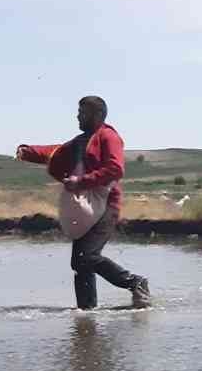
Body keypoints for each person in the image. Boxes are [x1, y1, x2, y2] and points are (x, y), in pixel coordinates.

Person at [17, 96, 151, 310]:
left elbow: (115, 169)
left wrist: (81, 181)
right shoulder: (80, 140)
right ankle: (87, 313)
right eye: (78, 112)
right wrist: (28, 151)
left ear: (97, 115)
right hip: (88, 207)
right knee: (80, 262)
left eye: (83, 112)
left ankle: (135, 282)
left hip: (106, 206)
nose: (77, 116)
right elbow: (56, 151)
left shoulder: (108, 136)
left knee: (86, 256)